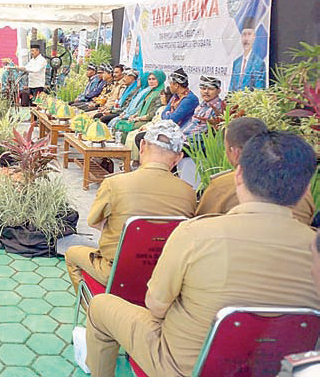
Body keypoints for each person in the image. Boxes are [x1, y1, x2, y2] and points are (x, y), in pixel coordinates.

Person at [83, 130, 320, 376]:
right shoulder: (314, 246)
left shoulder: (195, 234)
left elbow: (155, 305)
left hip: (182, 367)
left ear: (238, 175)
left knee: (100, 305)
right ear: (306, 191)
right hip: (273, 369)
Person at [65, 120, 196, 291]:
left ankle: (96, 311)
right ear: (178, 158)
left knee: (71, 254)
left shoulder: (115, 183)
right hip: (165, 278)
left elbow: (94, 222)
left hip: (117, 272)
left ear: (142, 146)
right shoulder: (189, 193)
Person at [196, 117, 315, 225]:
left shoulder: (221, 186)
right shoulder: (299, 187)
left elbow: (201, 221)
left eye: (227, 148)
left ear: (236, 153)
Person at [113, 70, 166, 140]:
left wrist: (137, 118)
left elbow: (153, 114)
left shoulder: (161, 93)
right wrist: (134, 115)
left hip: (149, 122)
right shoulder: (150, 91)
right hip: (140, 118)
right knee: (119, 124)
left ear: (160, 79)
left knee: (124, 128)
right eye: (149, 79)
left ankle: (125, 150)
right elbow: (141, 107)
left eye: (154, 79)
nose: (151, 81)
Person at [229, 16, 266, 91]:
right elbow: (231, 88)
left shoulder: (259, 63)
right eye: (244, 34)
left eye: (249, 34)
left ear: (254, 37)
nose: (246, 39)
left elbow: (259, 89)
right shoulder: (236, 62)